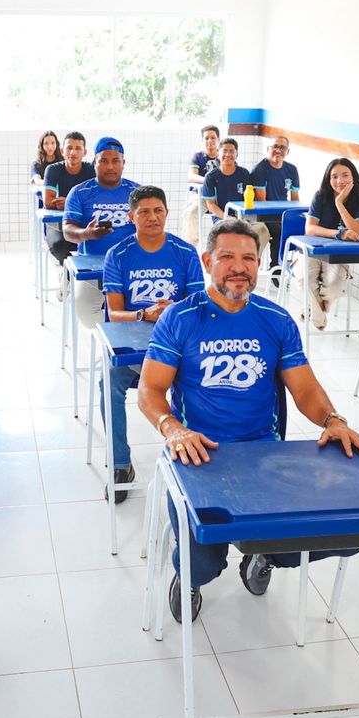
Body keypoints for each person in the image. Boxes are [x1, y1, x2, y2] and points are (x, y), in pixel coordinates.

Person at [137, 219, 359, 622]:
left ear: (260, 264)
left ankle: (263, 554)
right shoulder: (180, 317)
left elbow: (305, 389)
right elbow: (150, 390)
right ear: (207, 261)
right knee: (202, 562)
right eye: (227, 257)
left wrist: (333, 420)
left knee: (347, 533)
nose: (239, 267)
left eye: (249, 258)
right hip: (200, 456)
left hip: (264, 456)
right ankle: (192, 577)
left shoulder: (276, 319)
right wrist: (172, 428)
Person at [99, 185, 203, 501]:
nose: (152, 217)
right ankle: (120, 464)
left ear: (167, 213)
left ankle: (196, 456)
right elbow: (114, 314)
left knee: (205, 381)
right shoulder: (117, 255)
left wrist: (173, 311)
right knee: (109, 381)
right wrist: (144, 314)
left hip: (178, 349)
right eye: (144, 212)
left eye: (158, 210)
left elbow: (199, 307)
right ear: (131, 217)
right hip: (136, 348)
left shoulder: (185, 252)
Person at [62, 136, 139, 328]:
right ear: (94, 163)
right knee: (85, 311)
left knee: (142, 312)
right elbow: (68, 230)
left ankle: (123, 339)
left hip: (131, 266)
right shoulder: (79, 192)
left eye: (115, 161)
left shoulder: (137, 192)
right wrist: (87, 234)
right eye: (103, 161)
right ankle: (108, 341)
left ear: (123, 163)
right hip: (92, 265)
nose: (110, 166)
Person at [302, 157, 359, 331]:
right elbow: (310, 229)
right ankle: (318, 317)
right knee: (306, 279)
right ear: (328, 179)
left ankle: (311, 307)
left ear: (353, 177)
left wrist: (339, 203)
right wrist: (338, 234)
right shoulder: (320, 196)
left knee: (334, 286)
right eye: (334, 176)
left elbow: (357, 231)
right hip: (311, 250)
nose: (339, 181)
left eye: (345, 175)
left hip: (338, 256)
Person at [200, 139, 270, 264]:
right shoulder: (211, 177)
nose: (228, 154)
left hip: (244, 217)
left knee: (262, 230)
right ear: (218, 153)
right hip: (222, 218)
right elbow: (211, 205)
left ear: (237, 154)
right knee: (230, 235)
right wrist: (227, 217)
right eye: (224, 151)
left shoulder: (244, 174)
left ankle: (250, 263)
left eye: (231, 151)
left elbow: (250, 199)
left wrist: (245, 217)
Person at [248, 134, 300, 275]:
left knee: (301, 228)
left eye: (282, 147)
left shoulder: (292, 170)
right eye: (275, 146)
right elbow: (262, 201)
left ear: (287, 151)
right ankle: (276, 269)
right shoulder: (260, 169)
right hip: (263, 214)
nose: (278, 150)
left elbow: (295, 199)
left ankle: (290, 268)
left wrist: (296, 217)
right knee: (280, 231)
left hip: (283, 213)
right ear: (268, 149)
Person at [42, 131, 95, 265]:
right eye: (69, 148)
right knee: (58, 245)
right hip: (57, 224)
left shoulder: (91, 170)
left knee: (98, 242)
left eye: (78, 148)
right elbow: (48, 202)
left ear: (85, 152)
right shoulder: (53, 170)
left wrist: (68, 202)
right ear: (62, 151)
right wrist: (80, 204)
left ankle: (78, 274)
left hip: (83, 222)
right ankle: (67, 273)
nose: (73, 152)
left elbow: (95, 202)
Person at [185, 124, 221, 245]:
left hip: (220, 197)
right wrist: (208, 180)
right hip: (200, 196)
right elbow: (191, 177)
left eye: (213, 138)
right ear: (202, 141)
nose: (210, 141)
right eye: (206, 138)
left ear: (218, 139)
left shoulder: (224, 156)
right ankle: (190, 247)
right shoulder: (198, 157)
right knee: (191, 213)